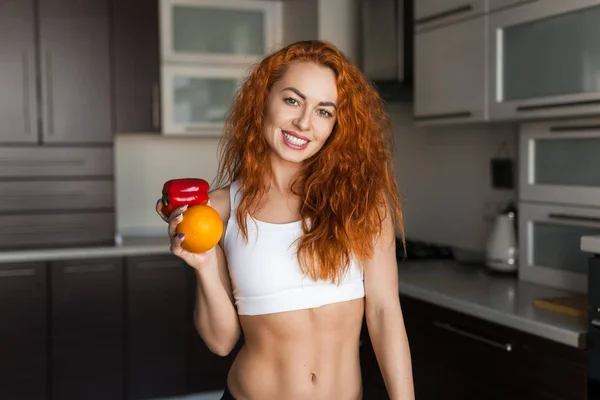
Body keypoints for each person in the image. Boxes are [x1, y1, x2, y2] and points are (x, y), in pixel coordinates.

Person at [156, 40, 414, 400]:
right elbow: (220, 341)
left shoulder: (362, 204)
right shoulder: (218, 210)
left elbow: (385, 313)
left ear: (337, 124)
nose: (304, 123)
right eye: (292, 100)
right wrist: (203, 267)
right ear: (263, 100)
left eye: (324, 111)